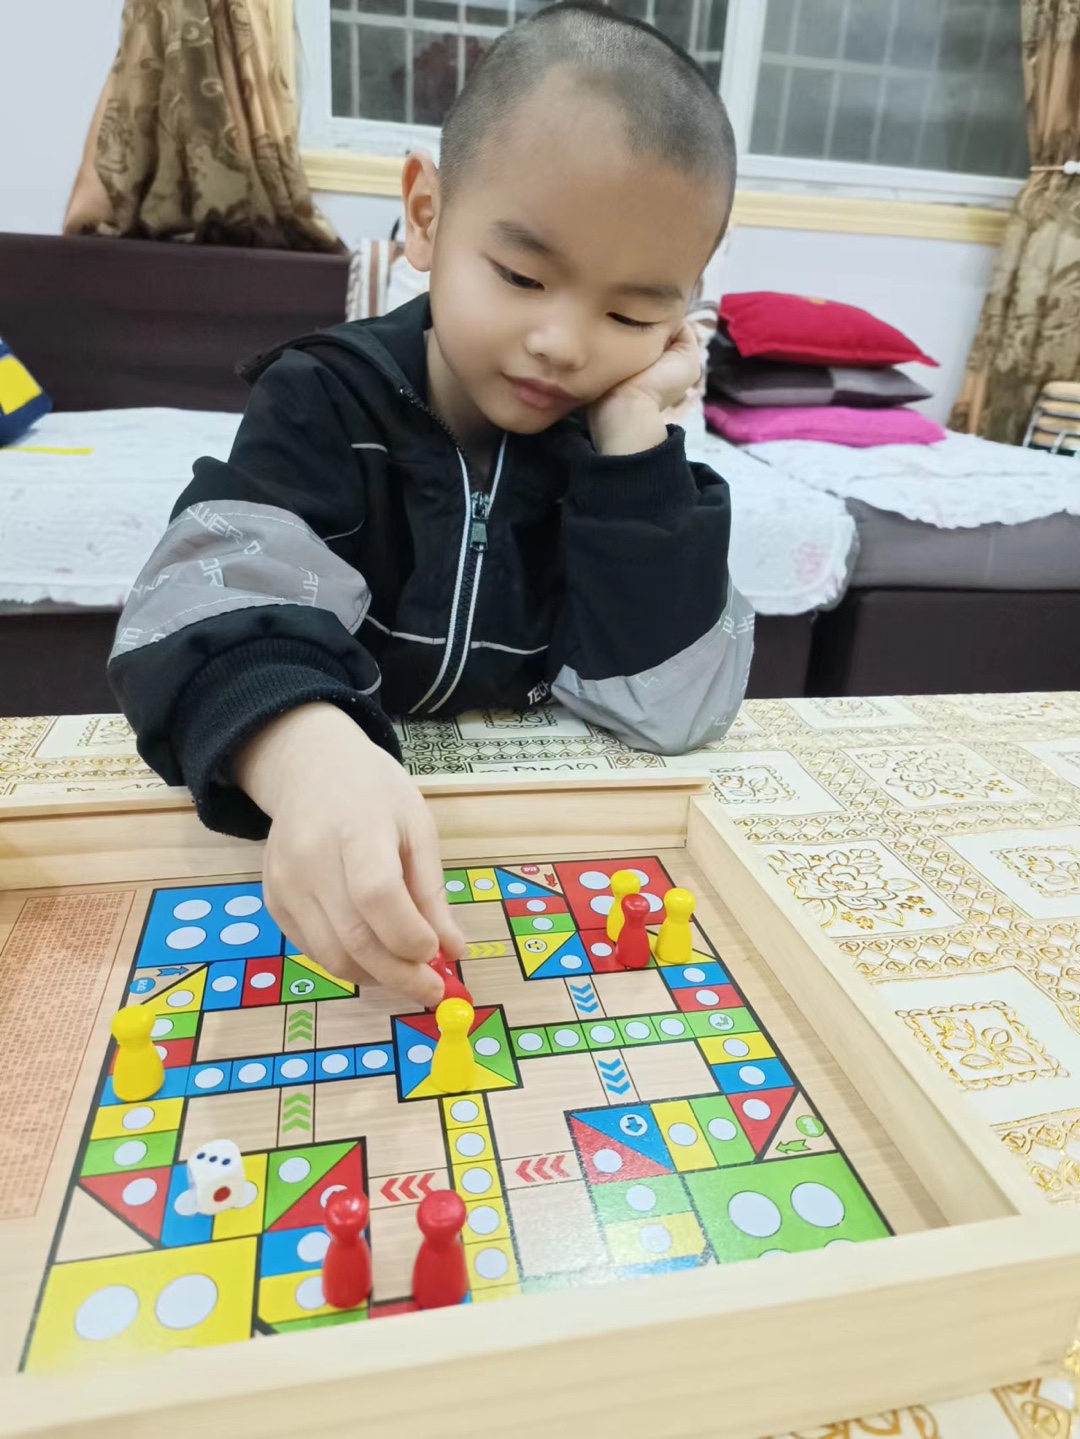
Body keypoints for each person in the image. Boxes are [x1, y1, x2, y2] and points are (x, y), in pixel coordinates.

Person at [109, 0, 753, 1007]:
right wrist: (307, 752)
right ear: (426, 214)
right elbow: (205, 602)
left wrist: (634, 435)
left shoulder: (609, 451)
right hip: (326, 855)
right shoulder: (323, 397)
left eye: (632, 313)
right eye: (522, 275)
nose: (563, 344)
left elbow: (669, 709)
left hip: (523, 875)